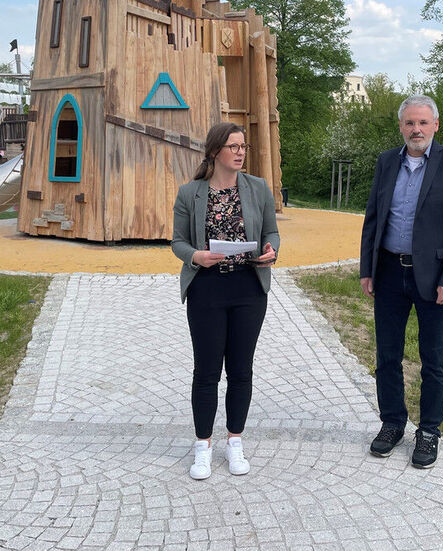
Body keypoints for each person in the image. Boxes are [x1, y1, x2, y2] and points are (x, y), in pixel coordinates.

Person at [359, 95, 443, 468]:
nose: (416, 130)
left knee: (434, 358)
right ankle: (392, 423)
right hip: (390, 272)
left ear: (436, 125)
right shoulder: (385, 163)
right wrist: (368, 269)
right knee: (387, 356)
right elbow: (373, 218)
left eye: (423, 123)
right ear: (401, 127)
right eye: (410, 123)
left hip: (435, 277)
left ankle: (428, 431)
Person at [171, 122, 280, 480]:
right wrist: (195, 257)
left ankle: (235, 441)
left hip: (249, 288)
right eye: (233, 146)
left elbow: (270, 232)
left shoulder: (258, 188)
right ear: (215, 151)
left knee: (241, 369)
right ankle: (202, 446)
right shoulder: (191, 193)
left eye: (243, 147)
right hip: (206, 289)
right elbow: (177, 243)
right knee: (206, 372)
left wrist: (271, 250)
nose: (240, 152)